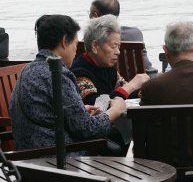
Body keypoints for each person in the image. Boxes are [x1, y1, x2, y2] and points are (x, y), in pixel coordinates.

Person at [10, 15, 127, 151]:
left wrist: (82, 110)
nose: (76, 51)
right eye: (76, 45)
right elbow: (87, 129)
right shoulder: (57, 73)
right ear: (65, 41)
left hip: (28, 158)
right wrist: (115, 110)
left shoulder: (28, 70)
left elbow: (46, 116)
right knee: (118, 146)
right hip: (57, 160)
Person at [71, 15, 149, 154]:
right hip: (92, 139)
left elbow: (122, 89)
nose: (118, 52)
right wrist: (131, 85)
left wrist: (140, 91)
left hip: (110, 130)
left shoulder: (107, 66)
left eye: (118, 46)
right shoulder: (79, 72)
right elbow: (98, 104)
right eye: (113, 46)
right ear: (95, 46)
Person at [88, 0, 158, 76]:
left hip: (110, 85)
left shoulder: (89, 41)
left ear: (94, 15)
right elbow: (147, 69)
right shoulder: (135, 34)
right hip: (141, 83)